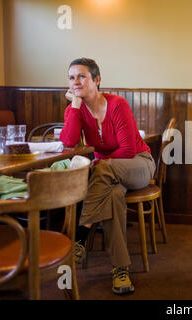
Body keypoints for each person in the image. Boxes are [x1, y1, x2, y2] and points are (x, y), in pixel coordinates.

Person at [60, 58, 156, 295]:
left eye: (82, 76)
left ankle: (80, 234)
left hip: (139, 165)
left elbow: (128, 150)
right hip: (110, 176)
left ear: (97, 80)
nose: (76, 82)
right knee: (112, 196)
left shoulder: (117, 104)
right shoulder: (77, 109)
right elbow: (68, 141)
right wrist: (74, 106)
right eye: (71, 78)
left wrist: (101, 162)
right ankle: (121, 270)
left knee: (101, 168)